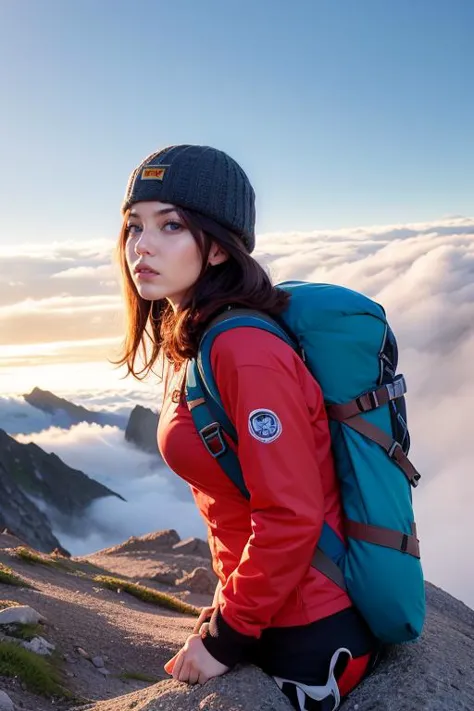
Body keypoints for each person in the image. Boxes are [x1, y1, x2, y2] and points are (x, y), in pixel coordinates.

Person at [114, 144, 380, 710]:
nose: (143, 245)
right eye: (135, 225)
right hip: (269, 612)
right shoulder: (199, 338)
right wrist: (227, 603)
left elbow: (290, 514)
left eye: (171, 225)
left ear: (217, 248)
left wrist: (224, 638)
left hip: (310, 634)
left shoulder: (242, 348)